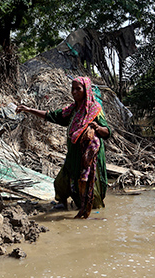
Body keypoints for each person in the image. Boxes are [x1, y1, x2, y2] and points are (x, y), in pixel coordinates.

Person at [16, 76, 111, 219]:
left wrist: (97, 127)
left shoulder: (94, 109)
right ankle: (63, 203)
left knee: (91, 187)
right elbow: (51, 115)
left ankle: (92, 212)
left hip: (89, 158)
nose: (74, 92)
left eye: (78, 89)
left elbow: (107, 132)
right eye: (72, 89)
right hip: (73, 155)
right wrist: (29, 110)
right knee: (61, 181)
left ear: (86, 90)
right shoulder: (72, 111)